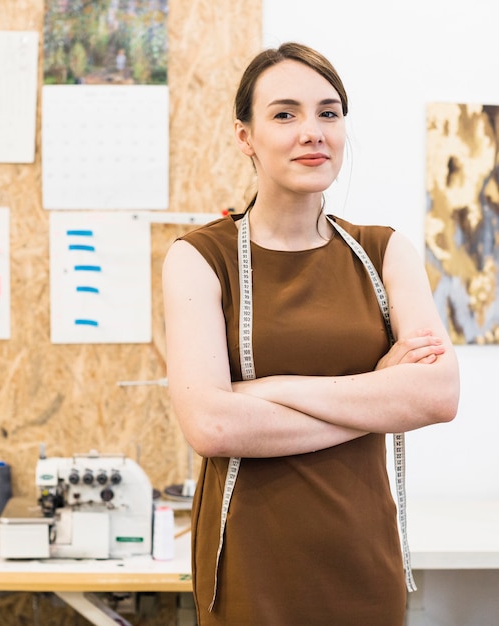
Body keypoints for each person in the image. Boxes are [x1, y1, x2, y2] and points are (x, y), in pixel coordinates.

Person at [162, 42, 459, 626]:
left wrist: (260, 390)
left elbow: (437, 395)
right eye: (284, 114)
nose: (312, 132)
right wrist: (377, 392)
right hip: (249, 567)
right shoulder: (200, 258)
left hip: (362, 557)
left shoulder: (384, 252)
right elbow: (213, 426)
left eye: (328, 113)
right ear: (246, 136)